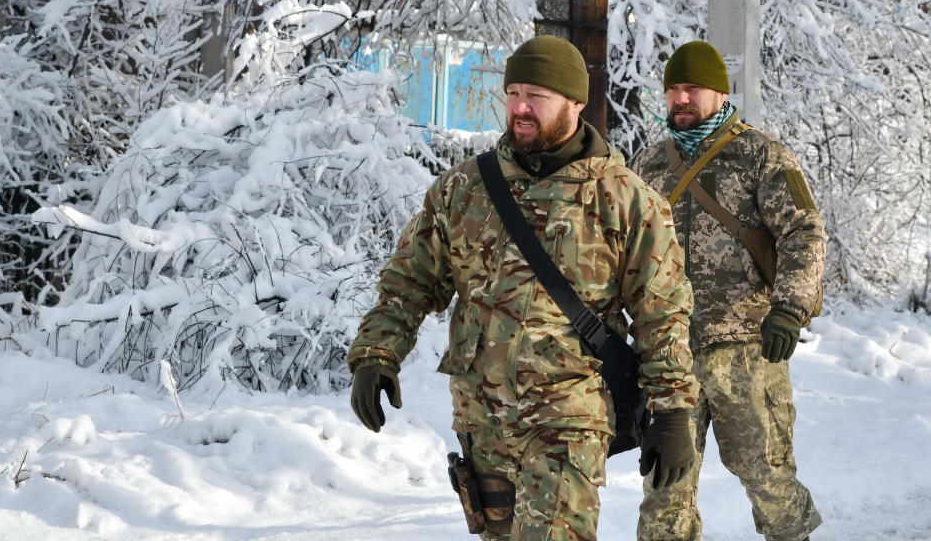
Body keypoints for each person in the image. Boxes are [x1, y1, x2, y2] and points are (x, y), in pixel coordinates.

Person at [347, 35, 700, 540]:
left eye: (537, 95)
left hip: (569, 421)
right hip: (482, 420)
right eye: (513, 93)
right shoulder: (464, 189)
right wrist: (377, 355)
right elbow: (410, 281)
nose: (520, 108)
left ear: (576, 104)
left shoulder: (625, 199)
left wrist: (673, 412)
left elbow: (660, 315)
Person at [630, 40, 825, 541]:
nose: (681, 99)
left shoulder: (762, 155)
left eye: (692, 88)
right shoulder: (648, 164)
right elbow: (622, 248)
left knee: (769, 479)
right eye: (673, 89)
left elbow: (803, 233)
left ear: (719, 91)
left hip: (747, 351)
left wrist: (789, 307)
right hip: (668, 356)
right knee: (663, 491)